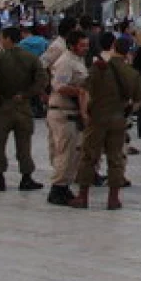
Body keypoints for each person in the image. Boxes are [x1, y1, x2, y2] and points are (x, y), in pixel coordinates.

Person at [69, 33, 141, 210]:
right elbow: (138, 100)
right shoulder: (132, 73)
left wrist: (85, 114)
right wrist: (127, 110)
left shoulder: (99, 67)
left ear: (113, 48)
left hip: (97, 118)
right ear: (128, 52)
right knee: (116, 158)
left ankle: (83, 196)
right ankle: (113, 198)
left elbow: (85, 91)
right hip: (118, 119)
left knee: (89, 156)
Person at [0, 26, 48, 191]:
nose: (1, 41)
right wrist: (27, 94)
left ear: (8, 38)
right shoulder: (31, 58)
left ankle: (0, 179)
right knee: (24, 144)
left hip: (2, 105)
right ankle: (26, 178)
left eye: (2, 38)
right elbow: (42, 80)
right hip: (23, 106)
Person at [45, 30, 90, 205]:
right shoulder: (65, 62)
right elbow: (59, 85)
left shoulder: (78, 61)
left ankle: (65, 186)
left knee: (73, 153)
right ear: (72, 45)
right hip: (62, 112)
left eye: (87, 45)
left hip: (73, 113)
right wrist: (79, 91)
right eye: (82, 45)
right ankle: (58, 188)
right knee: (64, 152)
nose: (85, 48)